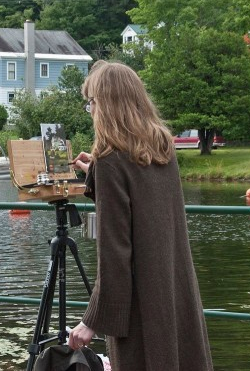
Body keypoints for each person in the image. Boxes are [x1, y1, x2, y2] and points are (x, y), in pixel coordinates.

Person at [68, 60, 213, 370]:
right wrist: (95, 172)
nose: (90, 110)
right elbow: (147, 200)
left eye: (92, 102)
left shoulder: (110, 163)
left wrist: (91, 321)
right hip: (176, 292)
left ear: (106, 106)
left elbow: (116, 253)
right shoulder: (163, 148)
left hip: (142, 306)